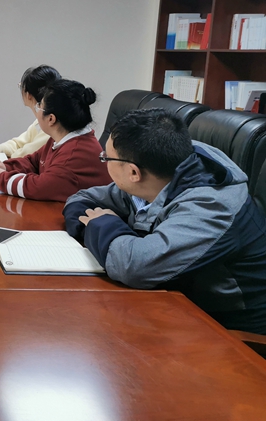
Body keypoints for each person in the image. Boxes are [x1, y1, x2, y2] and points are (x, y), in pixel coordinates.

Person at [63, 108, 266, 334]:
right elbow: (81, 200)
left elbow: (135, 267)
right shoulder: (160, 172)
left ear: (133, 172)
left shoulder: (211, 206)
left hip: (229, 331)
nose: (104, 162)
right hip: (176, 304)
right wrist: (92, 227)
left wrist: (100, 225)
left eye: (106, 158)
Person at [0, 79, 111, 202]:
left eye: (39, 106)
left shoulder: (74, 155)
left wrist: (1, 178)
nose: (37, 109)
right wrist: (6, 166)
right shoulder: (62, 138)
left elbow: (39, 187)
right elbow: (34, 161)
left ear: (51, 119)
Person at [0, 65, 61, 158]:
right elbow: (18, 143)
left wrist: (3, 157)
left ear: (28, 94)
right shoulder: (41, 119)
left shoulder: (51, 123)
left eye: (21, 86)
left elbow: (27, 154)